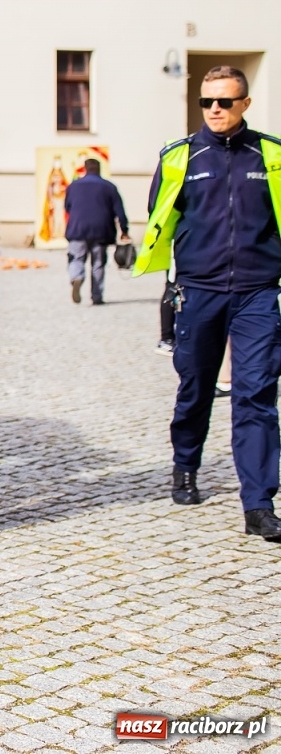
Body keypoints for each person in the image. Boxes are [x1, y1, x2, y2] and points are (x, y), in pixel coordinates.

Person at [134, 65, 281, 543]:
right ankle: (185, 464)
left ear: (245, 104)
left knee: (256, 395)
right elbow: (161, 215)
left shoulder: (271, 155)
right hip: (199, 291)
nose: (215, 109)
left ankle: (258, 504)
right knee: (195, 387)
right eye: (207, 102)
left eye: (225, 101)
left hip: (258, 292)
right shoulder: (180, 156)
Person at [63, 157, 129, 305]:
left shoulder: (73, 186)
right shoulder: (109, 187)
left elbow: (67, 207)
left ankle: (76, 277)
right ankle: (97, 296)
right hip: (101, 231)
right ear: (99, 169)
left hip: (77, 229)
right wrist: (124, 230)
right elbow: (120, 212)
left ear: (85, 168)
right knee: (98, 263)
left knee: (76, 258)